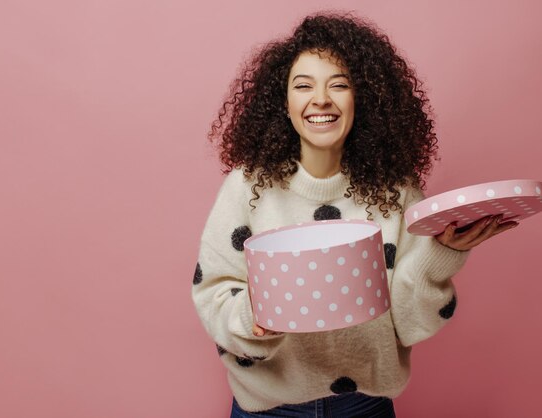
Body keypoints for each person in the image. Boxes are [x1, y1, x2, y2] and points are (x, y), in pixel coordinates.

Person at [191, 12, 517, 417]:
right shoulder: (247, 186)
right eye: (303, 85)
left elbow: (410, 323)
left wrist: (439, 255)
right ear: (284, 102)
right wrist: (256, 320)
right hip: (268, 408)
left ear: (362, 98)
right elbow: (214, 294)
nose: (321, 99)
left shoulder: (395, 189)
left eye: (339, 85)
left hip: (365, 407)